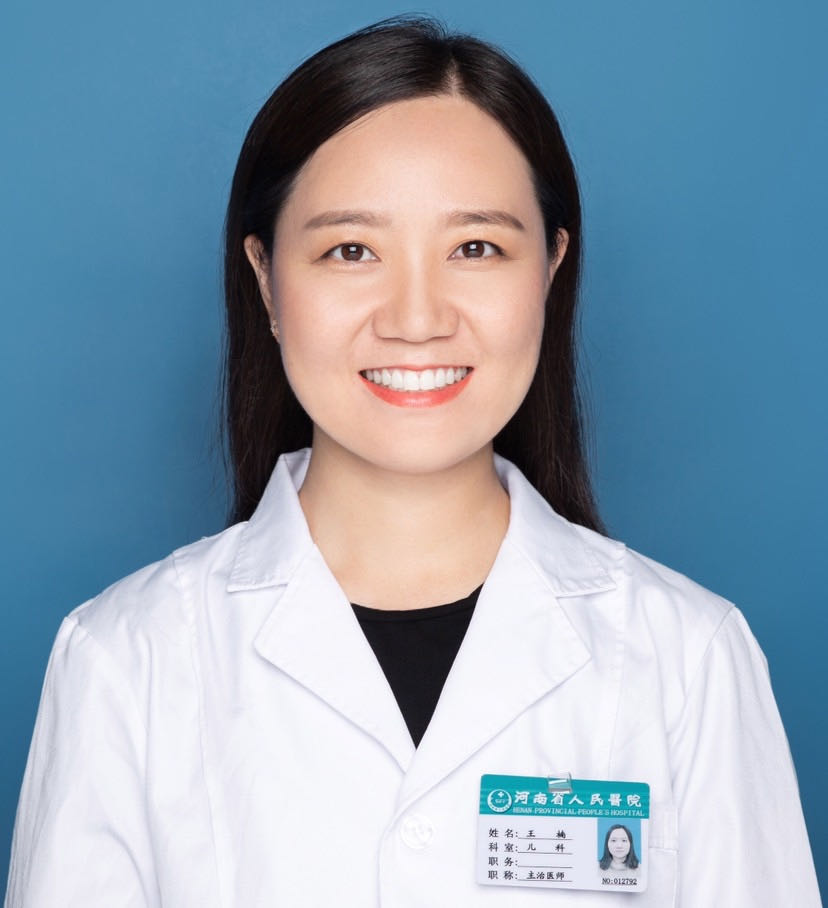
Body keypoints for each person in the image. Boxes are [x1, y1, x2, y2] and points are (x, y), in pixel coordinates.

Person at [4, 17, 821, 908]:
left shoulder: (690, 659)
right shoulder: (125, 663)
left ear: (550, 269)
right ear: (267, 279)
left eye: (476, 248)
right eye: (351, 250)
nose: (418, 318)